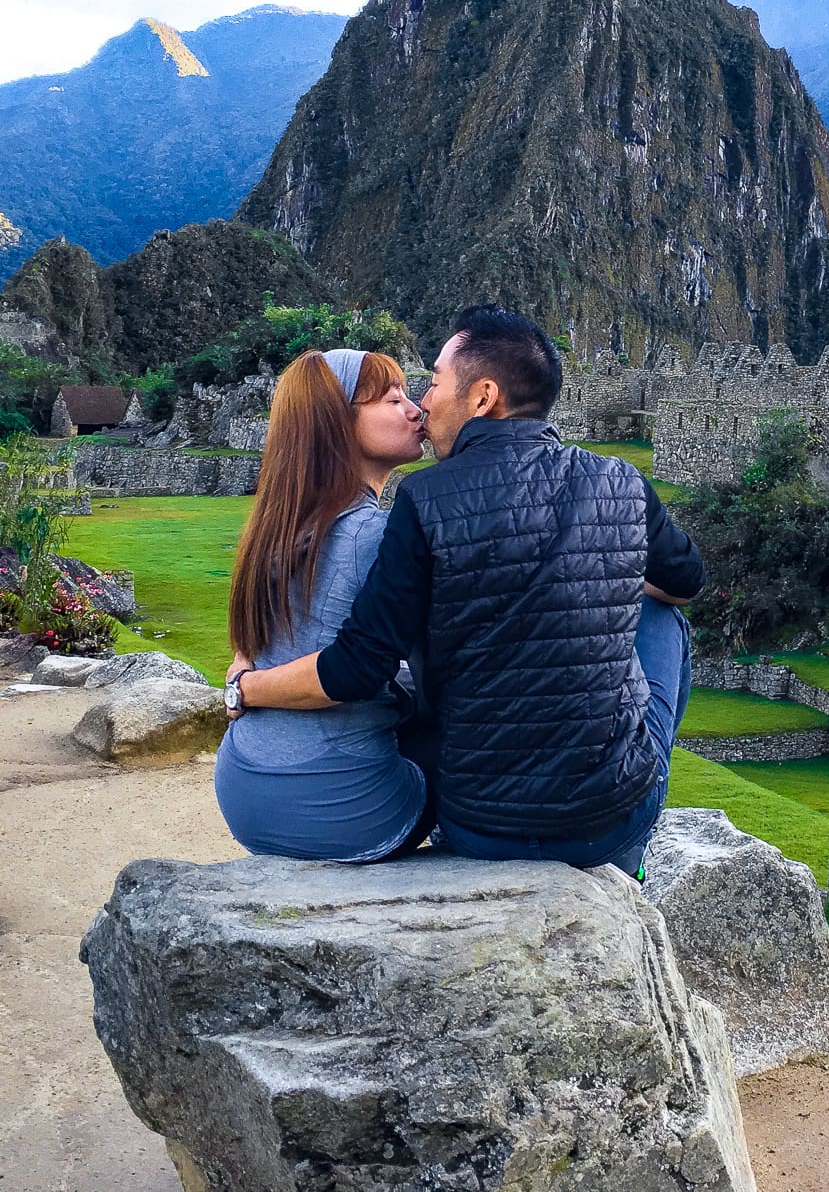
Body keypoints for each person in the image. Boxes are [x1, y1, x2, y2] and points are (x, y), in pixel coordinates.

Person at [225, 307, 702, 877]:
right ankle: (628, 851)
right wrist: (606, 553)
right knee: (662, 618)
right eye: (402, 393)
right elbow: (686, 582)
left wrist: (245, 684)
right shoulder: (621, 479)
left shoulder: (414, 502)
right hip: (596, 821)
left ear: (481, 398)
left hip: (476, 824)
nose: (422, 402)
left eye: (431, 382)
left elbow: (363, 661)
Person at [215, 347, 432, 863]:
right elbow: (364, 672)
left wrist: (244, 687)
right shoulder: (374, 534)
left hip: (242, 786)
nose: (416, 409)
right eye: (392, 398)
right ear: (339, 423)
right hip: (341, 809)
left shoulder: (276, 531)